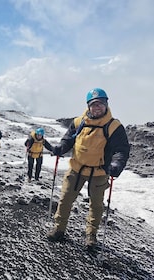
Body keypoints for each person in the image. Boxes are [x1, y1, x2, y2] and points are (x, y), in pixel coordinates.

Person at [47, 88, 130, 248]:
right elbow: (68, 140)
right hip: (76, 169)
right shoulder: (79, 122)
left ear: (106, 104)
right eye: (94, 104)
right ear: (88, 106)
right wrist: (60, 148)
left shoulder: (113, 126)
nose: (97, 107)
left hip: (99, 172)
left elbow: (121, 150)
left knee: (96, 206)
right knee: (65, 200)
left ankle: (91, 236)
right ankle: (59, 229)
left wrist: (116, 164)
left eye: (100, 104)